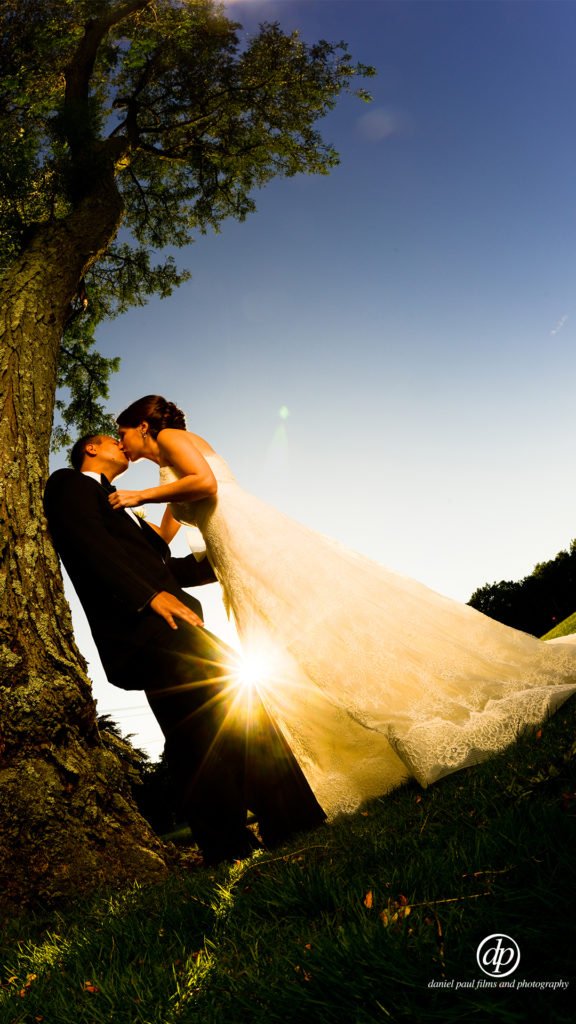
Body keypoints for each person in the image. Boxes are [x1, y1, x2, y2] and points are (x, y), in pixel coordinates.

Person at [108, 395, 576, 818]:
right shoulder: (166, 470)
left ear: (143, 426)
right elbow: (168, 536)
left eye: (122, 431)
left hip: (250, 536)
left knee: (325, 623)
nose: (121, 441)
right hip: (233, 555)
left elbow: (206, 484)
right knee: (289, 649)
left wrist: (139, 495)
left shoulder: (172, 438)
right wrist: (134, 531)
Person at [43, 434, 327, 866]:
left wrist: (232, 556)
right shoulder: (68, 483)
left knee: (193, 739)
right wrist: (147, 596)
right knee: (240, 708)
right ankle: (292, 821)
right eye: (111, 441)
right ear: (91, 449)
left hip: (169, 620)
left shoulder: (126, 508)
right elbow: (86, 547)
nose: (123, 446)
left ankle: (226, 846)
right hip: (144, 624)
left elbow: (167, 569)